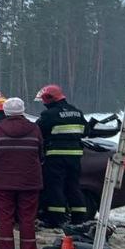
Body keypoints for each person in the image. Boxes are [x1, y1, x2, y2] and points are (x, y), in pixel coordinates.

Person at [0, 97, 43, 249]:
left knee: (5, 218)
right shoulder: (35, 129)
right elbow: (40, 153)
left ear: (5, 111)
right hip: (29, 181)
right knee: (27, 219)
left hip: (2, 182)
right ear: (23, 110)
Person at [36, 84, 88, 227]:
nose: (43, 103)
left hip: (55, 156)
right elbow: (86, 130)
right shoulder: (77, 112)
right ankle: (79, 218)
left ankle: (55, 218)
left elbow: (38, 132)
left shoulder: (49, 115)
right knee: (73, 186)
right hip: (75, 157)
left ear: (49, 98)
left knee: (55, 186)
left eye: (44, 100)